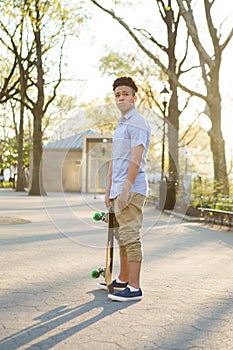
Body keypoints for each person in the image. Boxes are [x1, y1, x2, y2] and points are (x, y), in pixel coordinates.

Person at [97, 76, 151, 301]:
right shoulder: (121, 126)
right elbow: (115, 161)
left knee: (130, 236)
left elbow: (135, 158)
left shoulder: (137, 123)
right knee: (121, 236)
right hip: (118, 188)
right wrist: (109, 191)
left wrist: (127, 188)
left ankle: (135, 288)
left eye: (126, 94)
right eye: (118, 94)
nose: (121, 98)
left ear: (134, 98)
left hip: (133, 187)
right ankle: (123, 279)